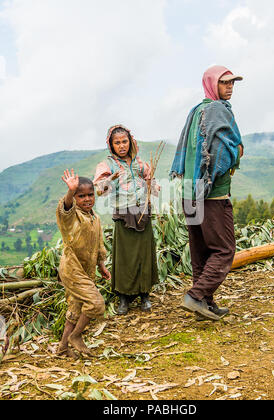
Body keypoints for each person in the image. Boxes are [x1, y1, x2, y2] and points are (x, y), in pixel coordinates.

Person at [170, 65, 244, 322]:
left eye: (233, 83)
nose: (230, 87)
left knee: (201, 250)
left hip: (189, 193)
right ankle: (195, 295)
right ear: (213, 84)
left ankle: (204, 304)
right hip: (212, 195)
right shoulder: (217, 110)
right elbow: (222, 151)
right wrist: (237, 152)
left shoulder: (196, 111)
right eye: (225, 83)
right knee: (224, 249)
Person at [93, 125, 159, 315]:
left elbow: (152, 184)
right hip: (123, 215)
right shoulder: (107, 165)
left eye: (124, 141)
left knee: (144, 254)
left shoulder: (139, 163)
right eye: (117, 143)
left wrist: (151, 184)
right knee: (124, 257)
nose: (121, 146)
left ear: (130, 142)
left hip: (142, 213)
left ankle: (144, 294)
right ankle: (124, 298)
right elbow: (99, 190)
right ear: (111, 145)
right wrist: (111, 179)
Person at [56, 169, 111, 357]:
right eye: (81, 196)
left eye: (90, 195)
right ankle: (76, 336)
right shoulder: (72, 218)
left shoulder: (94, 217)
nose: (87, 199)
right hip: (72, 269)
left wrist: (101, 264)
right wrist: (70, 192)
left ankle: (62, 348)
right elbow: (65, 208)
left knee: (76, 307)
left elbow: (99, 244)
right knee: (96, 303)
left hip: (86, 270)